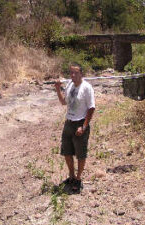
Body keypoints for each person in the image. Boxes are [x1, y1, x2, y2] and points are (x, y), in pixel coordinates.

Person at [55, 63, 95, 193]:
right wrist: (58, 88)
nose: (73, 75)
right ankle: (71, 176)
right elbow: (63, 102)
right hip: (69, 122)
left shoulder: (87, 88)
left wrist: (84, 126)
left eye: (75, 73)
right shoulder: (70, 85)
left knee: (80, 153)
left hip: (80, 123)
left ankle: (78, 179)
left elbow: (91, 108)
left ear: (81, 74)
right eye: (71, 72)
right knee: (67, 152)